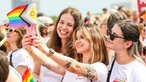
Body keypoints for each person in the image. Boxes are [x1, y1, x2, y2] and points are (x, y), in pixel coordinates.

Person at [23, 25, 109, 82]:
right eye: (76, 38)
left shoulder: (100, 68)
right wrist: (31, 50)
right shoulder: (70, 68)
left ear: (94, 40)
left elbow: (75, 67)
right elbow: (46, 62)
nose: (77, 41)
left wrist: (47, 50)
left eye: (82, 37)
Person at [27, 7, 83, 82]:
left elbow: (64, 71)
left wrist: (45, 51)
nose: (63, 27)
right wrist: (37, 79)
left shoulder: (79, 51)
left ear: (76, 28)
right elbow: (35, 72)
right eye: (61, 22)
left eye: (69, 25)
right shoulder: (46, 43)